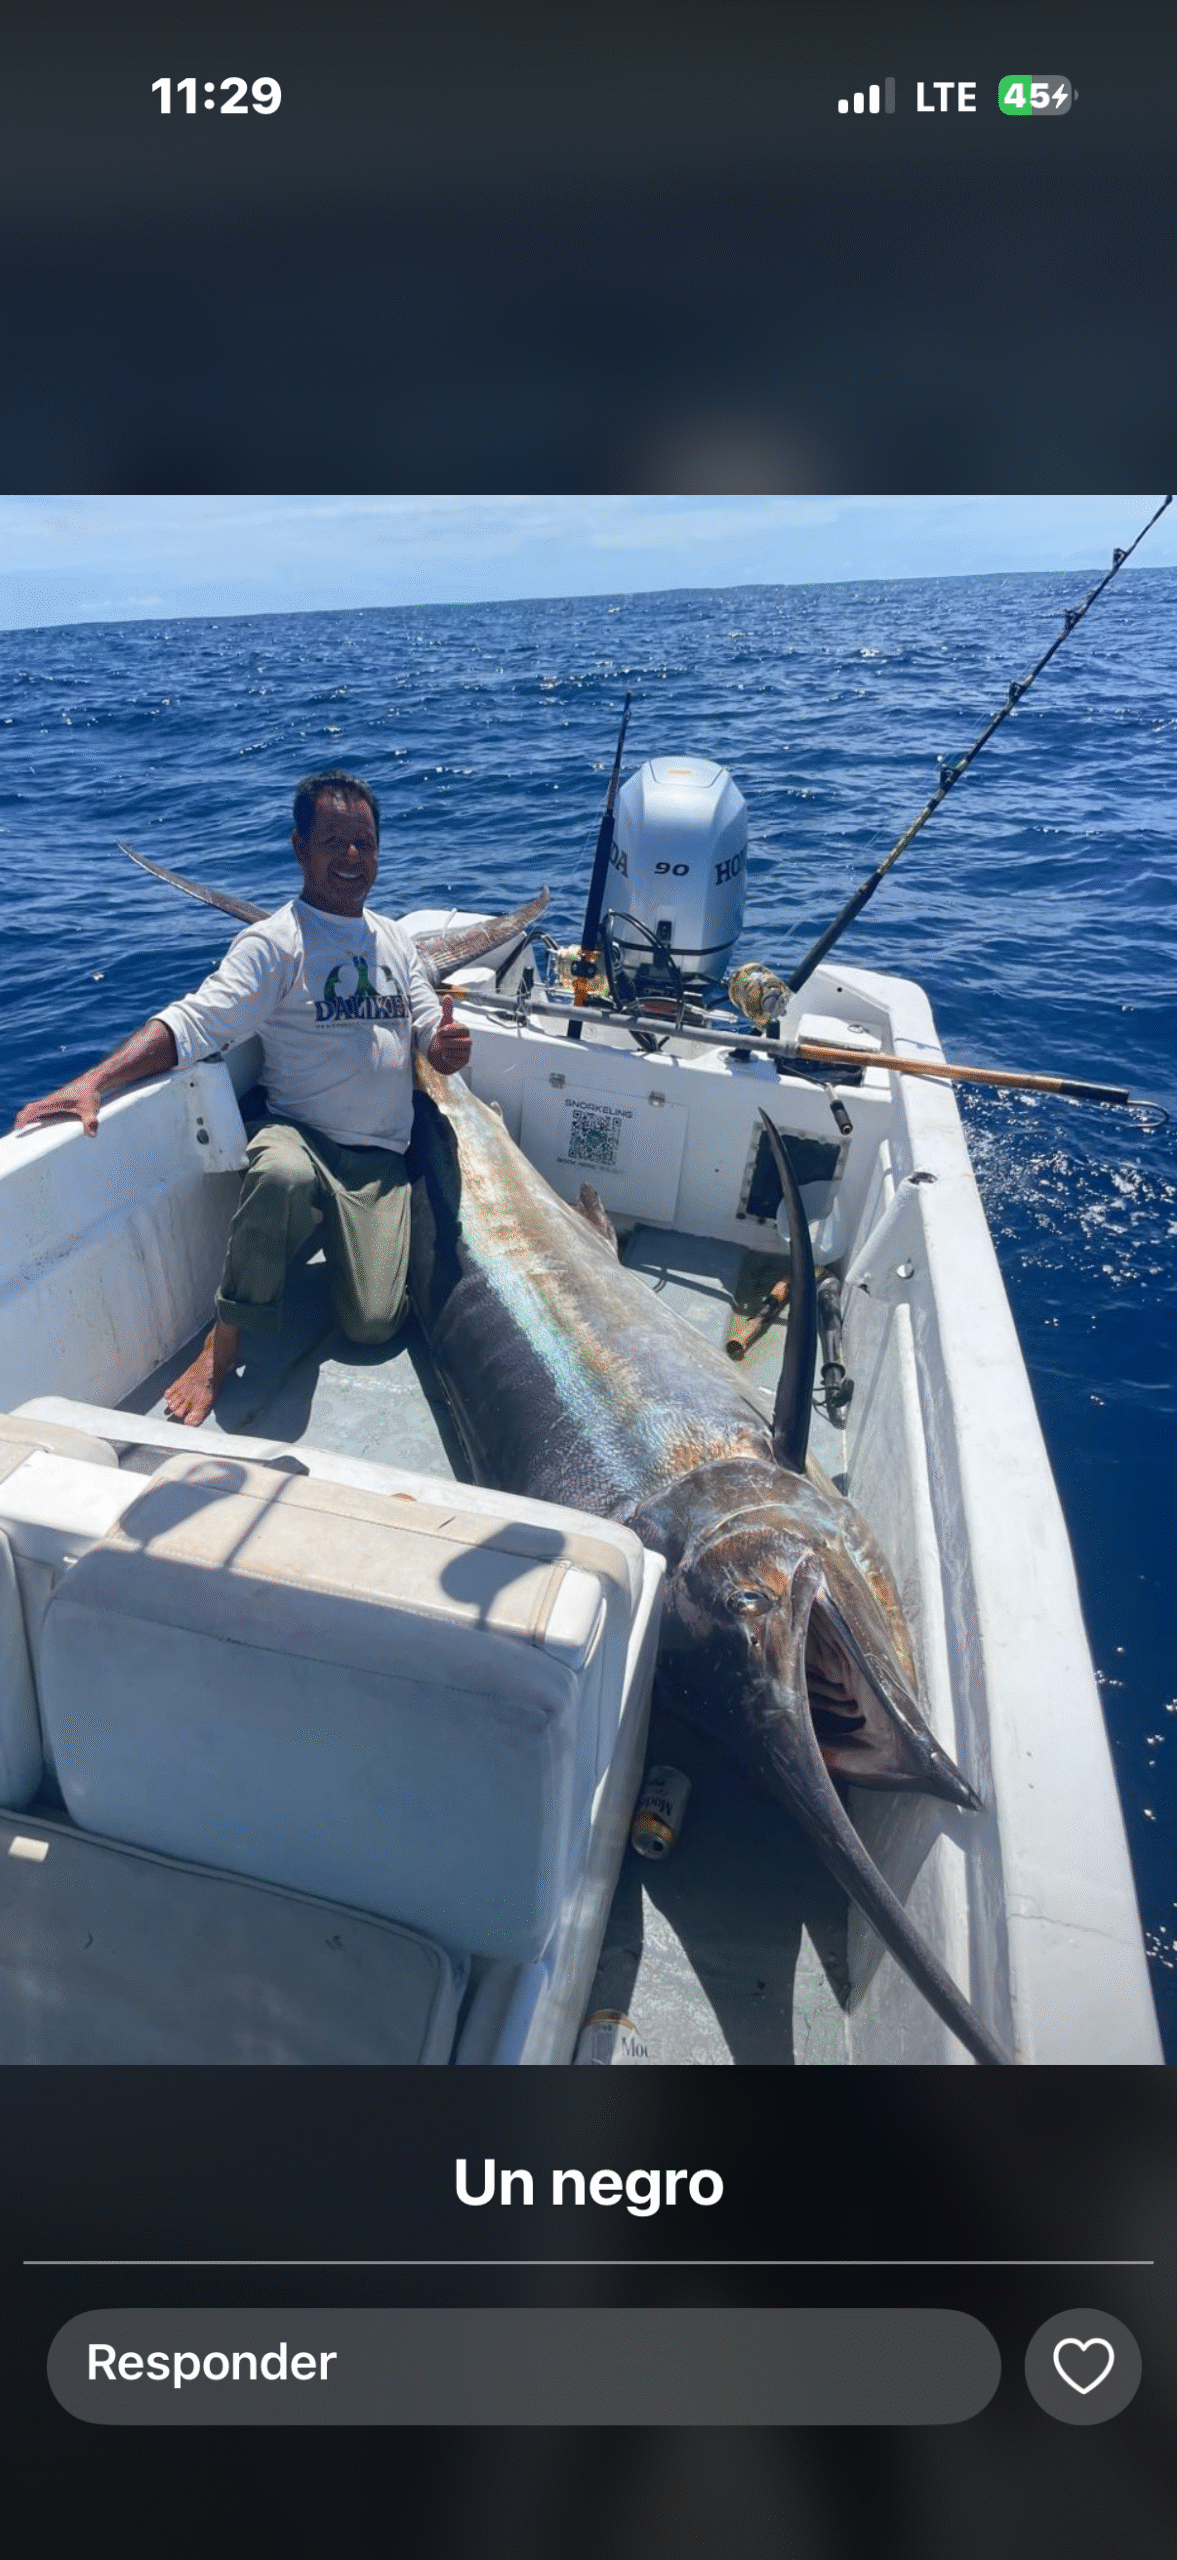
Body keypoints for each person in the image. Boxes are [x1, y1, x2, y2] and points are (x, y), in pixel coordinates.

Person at [13, 769, 472, 1425]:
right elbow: (195, 1023)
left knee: (373, 1327)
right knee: (281, 1175)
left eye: (363, 843)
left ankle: (327, 1226)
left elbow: (427, 1021)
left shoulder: (394, 939)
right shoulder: (273, 943)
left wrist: (442, 1046)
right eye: (333, 840)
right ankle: (222, 1344)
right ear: (300, 846)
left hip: (377, 1156)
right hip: (301, 1137)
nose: (350, 857)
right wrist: (96, 1080)